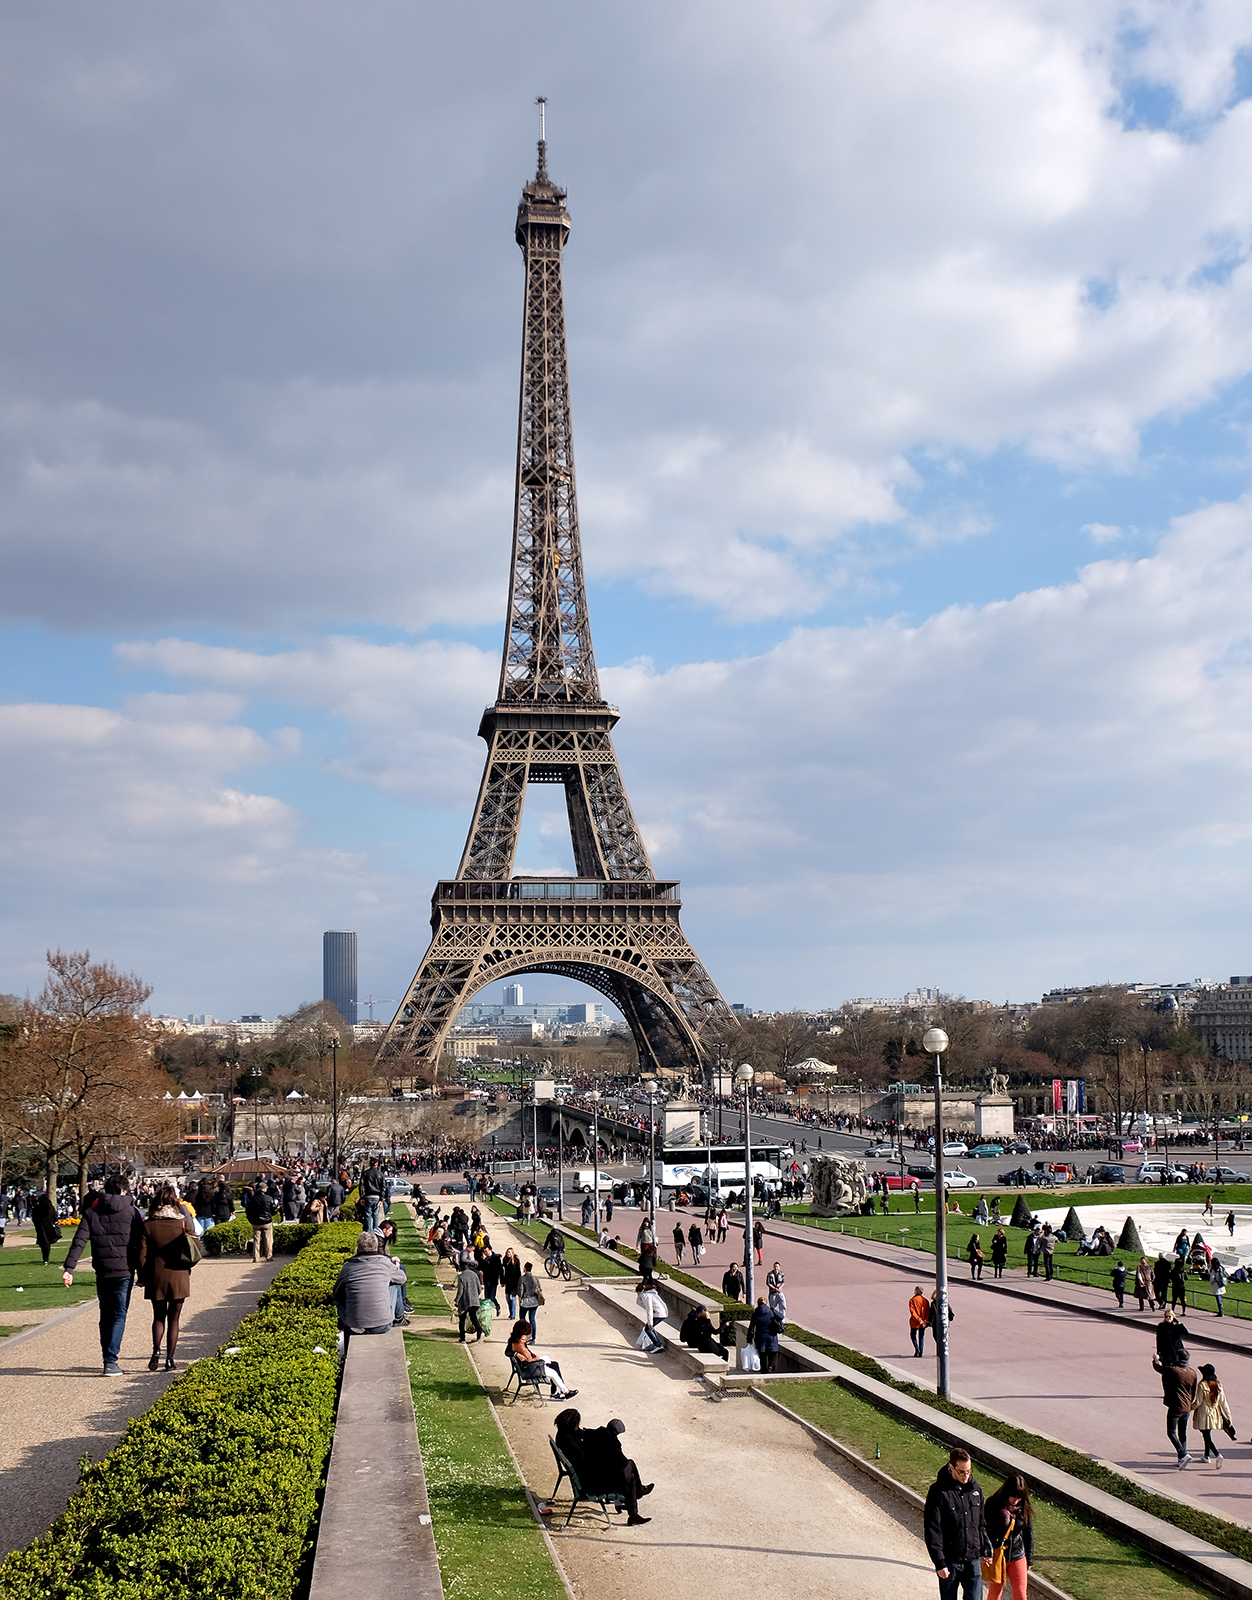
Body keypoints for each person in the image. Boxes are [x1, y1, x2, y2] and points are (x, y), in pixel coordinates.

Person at [62, 1174, 141, 1377]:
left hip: (103, 1269)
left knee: (105, 1314)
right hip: (124, 1269)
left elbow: (79, 1241)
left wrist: (69, 1268)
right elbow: (141, 1245)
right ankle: (110, 1360)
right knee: (118, 1314)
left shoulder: (92, 1212)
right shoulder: (132, 1212)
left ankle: (108, 1358)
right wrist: (142, 1271)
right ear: (123, 1190)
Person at [135, 1181, 199, 1371]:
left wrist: (142, 1276)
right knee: (174, 1319)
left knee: (158, 1316)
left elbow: (142, 1255)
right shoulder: (182, 1222)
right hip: (178, 1273)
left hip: (156, 1274)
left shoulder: (149, 1224)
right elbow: (196, 1245)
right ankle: (170, 1359)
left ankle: (156, 1350)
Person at [560, 1412, 653, 1526]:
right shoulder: (569, 1439)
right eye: (576, 1423)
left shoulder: (565, 1435)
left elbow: (584, 1434)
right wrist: (607, 1450)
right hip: (592, 1481)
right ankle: (637, 1499)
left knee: (630, 1470)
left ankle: (636, 1507)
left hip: (588, 1474)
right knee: (631, 1470)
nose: (577, 1426)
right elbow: (622, 1463)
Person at [923, 1447, 989, 1599]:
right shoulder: (938, 1492)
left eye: (969, 1471)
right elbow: (932, 1528)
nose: (966, 1476)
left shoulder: (975, 1490)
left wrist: (985, 1548)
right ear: (951, 1467)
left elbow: (981, 1523)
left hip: (972, 1560)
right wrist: (939, 1562)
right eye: (961, 1472)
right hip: (950, 1561)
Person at [332, 1231, 407, 1340]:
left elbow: (336, 1293)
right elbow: (402, 1278)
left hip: (354, 1326)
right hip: (383, 1325)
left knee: (336, 1303)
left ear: (358, 1247)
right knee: (395, 1285)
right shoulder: (385, 1263)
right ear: (376, 1247)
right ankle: (399, 1317)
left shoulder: (348, 1267)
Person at [983, 1473, 1033, 1600]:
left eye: (1019, 1497)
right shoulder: (992, 1504)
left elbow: (1028, 1533)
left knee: (1021, 1594)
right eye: (1013, 1496)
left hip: (1017, 1554)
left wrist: (1029, 1558)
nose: (1015, 1500)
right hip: (998, 1555)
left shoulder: (1024, 1508)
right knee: (995, 1594)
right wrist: (986, 1551)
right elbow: (984, 1529)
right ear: (1006, 1492)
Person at [505, 1319, 576, 1398]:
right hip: (530, 1369)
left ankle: (556, 1392)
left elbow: (526, 1355)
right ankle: (565, 1392)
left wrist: (529, 1355)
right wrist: (535, 1359)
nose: (526, 1338)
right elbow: (528, 1359)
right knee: (553, 1372)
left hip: (527, 1367)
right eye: (525, 1336)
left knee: (553, 1364)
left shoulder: (514, 1341)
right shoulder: (520, 1345)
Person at [1192, 1363, 1233, 1468]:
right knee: (1207, 1434)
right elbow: (1223, 1402)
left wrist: (1189, 1407)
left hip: (1203, 1413)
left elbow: (1198, 1402)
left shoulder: (1202, 1385)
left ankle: (1217, 1454)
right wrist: (1229, 1416)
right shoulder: (1218, 1385)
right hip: (1214, 1414)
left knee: (1206, 1436)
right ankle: (1206, 1456)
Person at [1161, 1356, 1199, 1468]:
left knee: (1171, 1432)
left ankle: (1183, 1454)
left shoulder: (1174, 1371)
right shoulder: (1193, 1372)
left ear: (1178, 1358)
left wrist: (1156, 1360)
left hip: (1175, 1406)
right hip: (1187, 1407)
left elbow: (1160, 1369)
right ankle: (1181, 1458)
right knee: (1182, 1432)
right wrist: (1190, 1403)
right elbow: (1194, 1390)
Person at [244, 1179, 278, 1262]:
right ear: (264, 1189)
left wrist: (251, 1220)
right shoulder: (269, 1198)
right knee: (268, 1240)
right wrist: (271, 1214)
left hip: (256, 1222)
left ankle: (256, 1257)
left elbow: (248, 1211)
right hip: (267, 1221)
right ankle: (269, 1256)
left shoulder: (252, 1199)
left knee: (256, 1240)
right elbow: (274, 1210)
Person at [749, 1294, 783, 1373]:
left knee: (762, 1355)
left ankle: (764, 1370)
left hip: (760, 1337)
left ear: (758, 1304)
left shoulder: (755, 1314)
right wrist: (773, 1310)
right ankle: (771, 1367)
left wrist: (749, 1339)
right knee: (773, 1353)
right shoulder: (771, 1311)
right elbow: (781, 1316)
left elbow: (751, 1328)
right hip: (772, 1336)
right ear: (766, 1303)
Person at [636, 1278, 668, 1353]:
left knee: (648, 1329)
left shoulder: (646, 1296)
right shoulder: (651, 1293)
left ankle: (658, 1345)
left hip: (659, 1313)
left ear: (639, 1292)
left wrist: (650, 1322)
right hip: (662, 1312)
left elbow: (649, 1309)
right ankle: (657, 1344)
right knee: (650, 1328)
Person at [455, 1260, 484, 1341]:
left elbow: (460, 1291)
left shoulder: (461, 1277)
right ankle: (479, 1330)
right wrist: (475, 1296)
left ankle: (462, 1337)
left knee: (462, 1319)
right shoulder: (474, 1275)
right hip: (474, 1301)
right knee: (473, 1317)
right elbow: (479, 1289)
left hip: (465, 1302)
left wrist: (456, 1300)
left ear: (461, 1267)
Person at [31, 1185, 60, 1266]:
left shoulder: (38, 1208)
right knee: (47, 1243)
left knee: (43, 1243)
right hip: (49, 1227)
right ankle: (46, 1258)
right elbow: (55, 1216)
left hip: (40, 1228)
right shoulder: (50, 1208)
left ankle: (45, 1257)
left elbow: (34, 1217)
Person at [518, 1260, 542, 1336]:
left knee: (522, 1318)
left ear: (525, 1268)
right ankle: (533, 1336)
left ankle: (525, 1334)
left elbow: (520, 1291)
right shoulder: (535, 1278)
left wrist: (519, 1300)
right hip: (534, 1301)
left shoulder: (522, 1278)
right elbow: (539, 1289)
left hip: (525, 1301)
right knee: (532, 1319)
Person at [909, 1285, 930, 1357]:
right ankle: (921, 1351)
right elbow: (928, 1311)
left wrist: (919, 1320)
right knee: (921, 1337)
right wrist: (925, 1320)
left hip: (915, 1322)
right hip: (923, 1322)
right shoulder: (925, 1300)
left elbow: (913, 1312)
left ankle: (917, 1348)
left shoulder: (912, 1300)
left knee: (913, 1336)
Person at [501, 1247, 522, 1319]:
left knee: (513, 1298)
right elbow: (503, 1272)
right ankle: (511, 1312)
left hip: (514, 1282)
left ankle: (513, 1315)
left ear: (512, 1253)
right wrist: (503, 1281)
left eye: (510, 1252)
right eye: (507, 1252)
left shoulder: (516, 1261)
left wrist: (519, 1282)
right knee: (507, 1297)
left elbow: (518, 1272)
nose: (508, 1253)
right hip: (507, 1282)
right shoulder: (505, 1260)